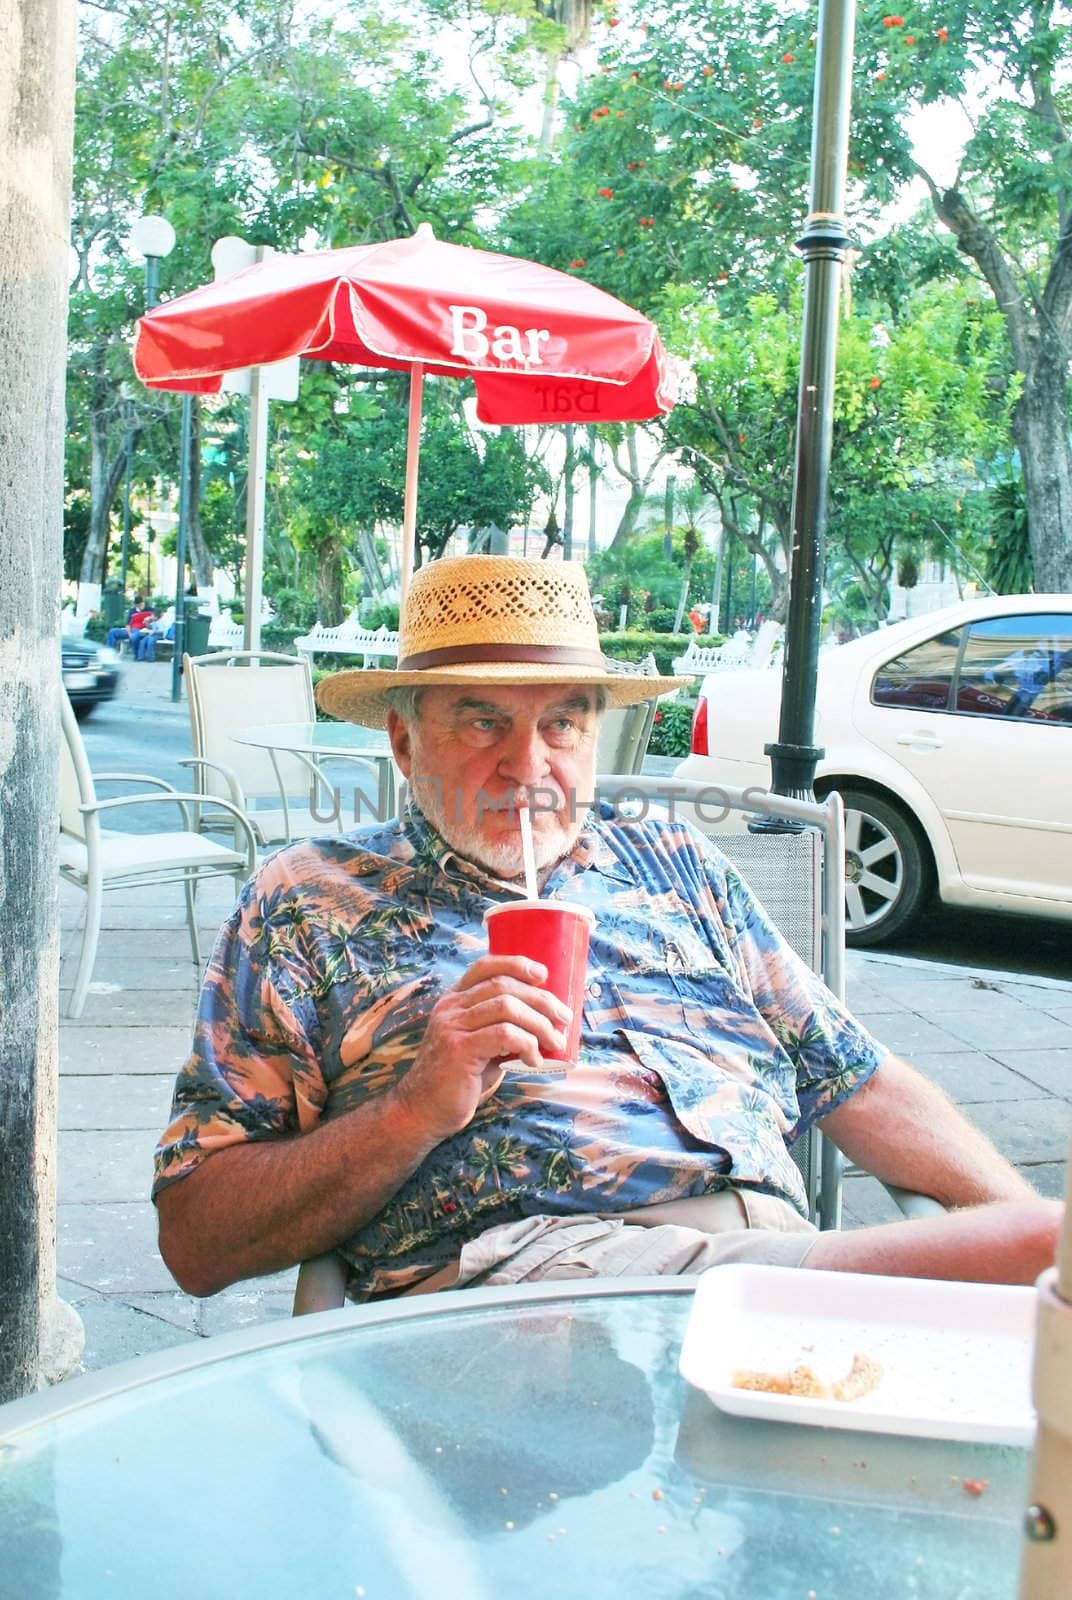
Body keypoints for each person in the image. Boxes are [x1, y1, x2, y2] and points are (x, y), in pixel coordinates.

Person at [153, 556, 1061, 1302]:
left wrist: (1032, 1256)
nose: (529, 764)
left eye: (564, 722)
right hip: (536, 1293)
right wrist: (413, 1109)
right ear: (403, 741)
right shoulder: (311, 902)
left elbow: (860, 1083)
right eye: (483, 721)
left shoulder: (679, 865)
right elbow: (196, 1242)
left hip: (766, 1264)